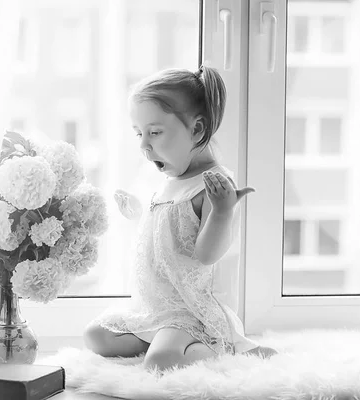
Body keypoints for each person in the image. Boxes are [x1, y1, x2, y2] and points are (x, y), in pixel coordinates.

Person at [83, 65, 277, 372]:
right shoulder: (168, 179)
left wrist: (223, 211)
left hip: (189, 312)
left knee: (161, 362)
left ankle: (220, 350)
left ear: (197, 129)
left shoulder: (213, 185)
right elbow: (164, 238)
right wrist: (137, 214)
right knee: (96, 336)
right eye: (139, 133)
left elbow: (206, 253)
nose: (145, 145)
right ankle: (163, 340)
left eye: (155, 132)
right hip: (156, 307)